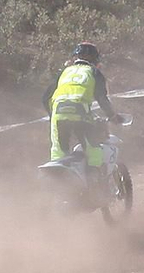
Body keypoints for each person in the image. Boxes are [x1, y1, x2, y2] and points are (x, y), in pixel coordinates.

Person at [44, 41, 119, 193]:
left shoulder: (64, 72)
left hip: (58, 114)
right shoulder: (94, 72)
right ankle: (95, 187)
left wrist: (52, 115)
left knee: (58, 153)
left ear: (74, 57)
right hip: (81, 115)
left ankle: (60, 190)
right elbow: (102, 98)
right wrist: (113, 115)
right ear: (95, 59)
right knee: (93, 150)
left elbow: (45, 97)